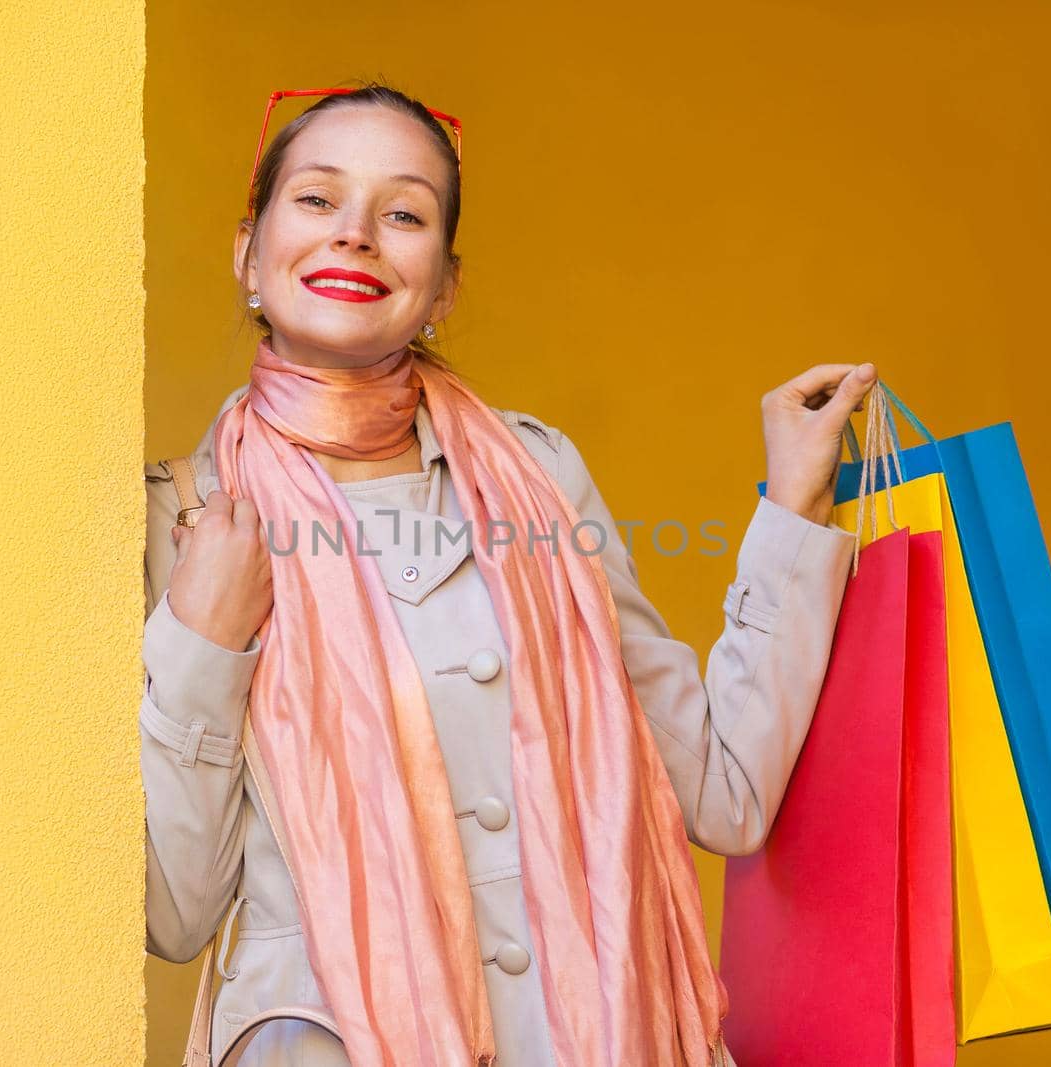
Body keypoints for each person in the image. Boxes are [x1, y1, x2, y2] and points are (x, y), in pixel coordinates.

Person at [140, 83, 876, 1067]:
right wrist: (204, 640)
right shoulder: (185, 517)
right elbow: (173, 911)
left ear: (441, 284)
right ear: (248, 254)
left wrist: (792, 508)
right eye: (316, 199)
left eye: (402, 212)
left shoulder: (539, 475)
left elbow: (725, 794)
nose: (355, 233)